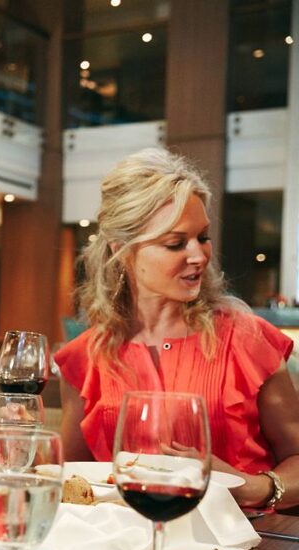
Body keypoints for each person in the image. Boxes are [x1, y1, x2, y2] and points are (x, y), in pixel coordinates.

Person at [55, 147, 299, 511]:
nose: (199, 255)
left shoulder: (247, 339)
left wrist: (251, 488)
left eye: (202, 237)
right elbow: (69, 477)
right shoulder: (86, 356)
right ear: (123, 251)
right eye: (175, 243)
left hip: (242, 547)